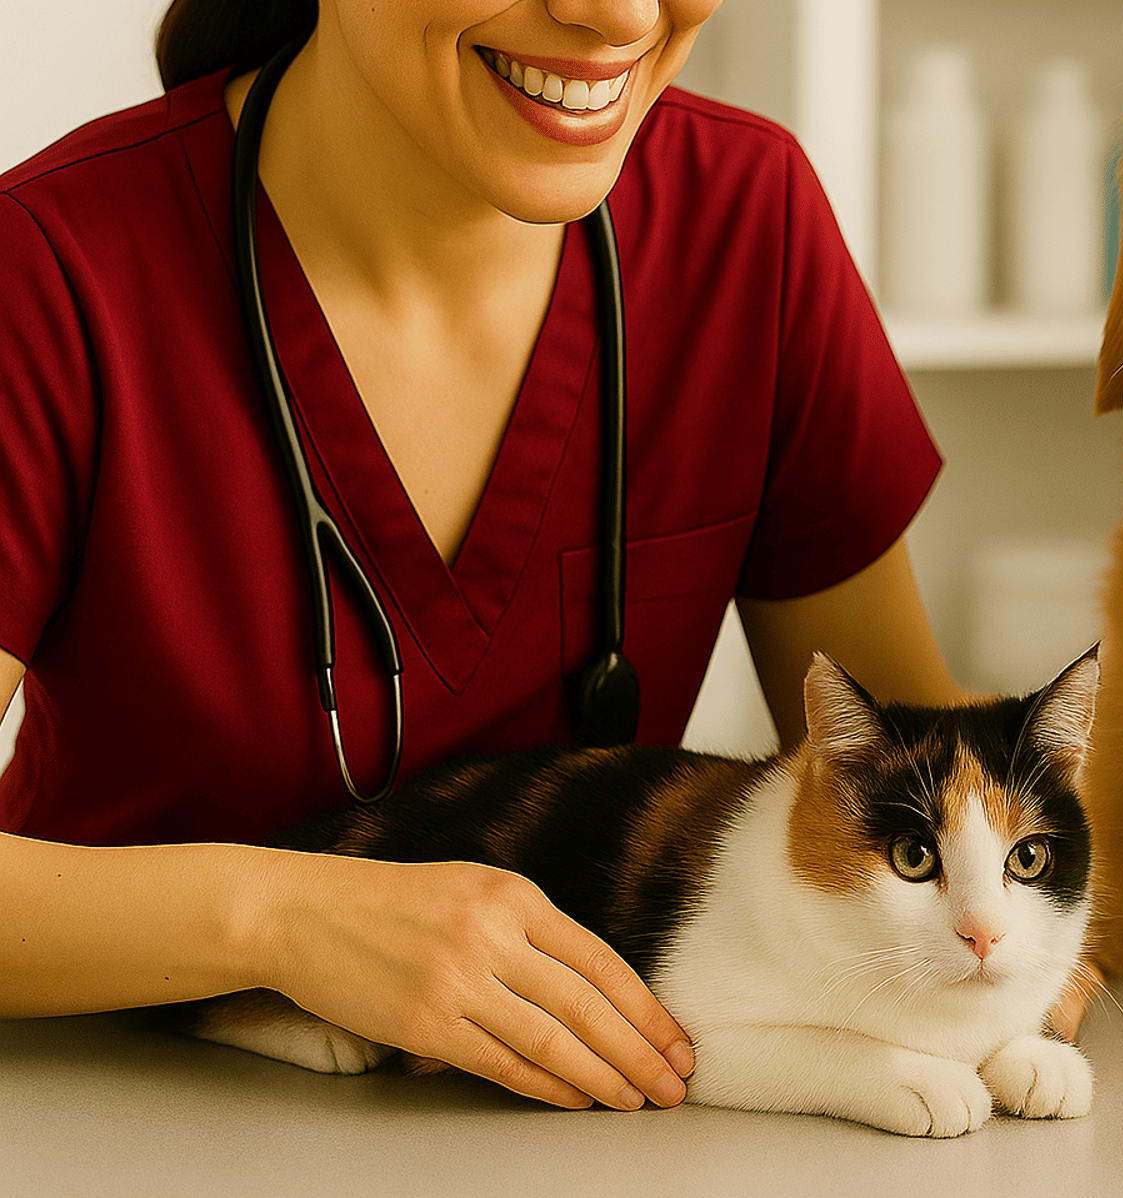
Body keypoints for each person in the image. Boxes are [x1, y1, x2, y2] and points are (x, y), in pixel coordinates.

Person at [0, 0, 965, 1114]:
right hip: (112, 1120)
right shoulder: (51, 264)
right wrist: (285, 920)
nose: (615, 15)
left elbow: (926, 781)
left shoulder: (747, 217)